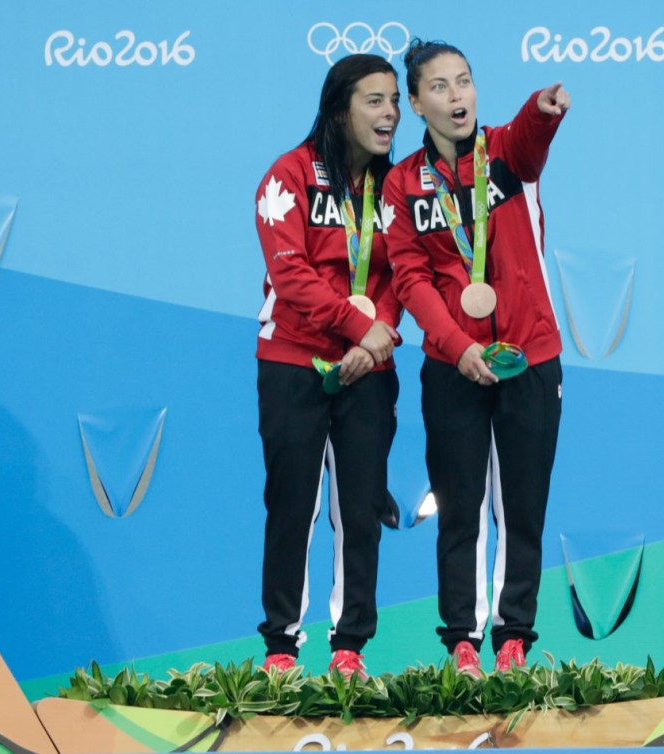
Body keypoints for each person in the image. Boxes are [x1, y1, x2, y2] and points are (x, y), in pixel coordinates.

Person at [382, 39, 570, 676]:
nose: (456, 96)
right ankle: (462, 637)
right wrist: (458, 348)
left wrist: (542, 111)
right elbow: (409, 279)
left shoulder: (506, 155)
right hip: (452, 367)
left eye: (464, 82)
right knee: (460, 507)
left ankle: (513, 635)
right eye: (439, 87)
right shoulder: (404, 184)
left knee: (522, 504)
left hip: (530, 357)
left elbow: (530, 137)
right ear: (414, 103)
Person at [253, 54, 402, 679]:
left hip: (369, 367)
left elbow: (404, 271)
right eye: (374, 100)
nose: (390, 113)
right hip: (294, 360)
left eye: (394, 100)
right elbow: (291, 275)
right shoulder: (287, 177)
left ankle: (350, 648)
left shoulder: (394, 188)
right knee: (294, 505)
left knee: (360, 507)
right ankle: (282, 648)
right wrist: (358, 327)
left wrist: (376, 340)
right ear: (340, 107)